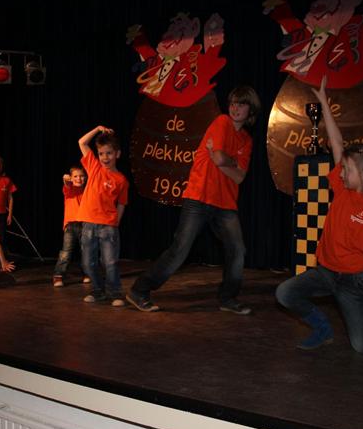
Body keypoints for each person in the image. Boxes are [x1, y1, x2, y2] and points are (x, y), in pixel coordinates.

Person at [275, 76, 363, 352]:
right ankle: (322, 328)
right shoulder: (342, 188)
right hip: (326, 272)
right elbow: (337, 142)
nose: (341, 172)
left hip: (355, 282)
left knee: (362, 346)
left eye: (347, 169)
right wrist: (324, 104)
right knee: (285, 293)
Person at [126, 86, 261, 313]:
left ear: (251, 109)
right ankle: (139, 290)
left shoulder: (246, 140)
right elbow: (220, 160)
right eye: (233, 103)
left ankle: (228, 299)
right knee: (179, 250)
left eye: (241, 104)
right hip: (199, 197)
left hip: (225, 203)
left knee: (237, 250)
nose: (235, 108)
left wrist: (222, 159)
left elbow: (239, 176)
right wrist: (230, 161)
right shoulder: (221, 122)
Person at [76, 126, 129, 307]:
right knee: (87, 263)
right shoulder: (94, 167)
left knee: (110, 262)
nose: (105, 157)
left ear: (117, 154)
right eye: (101, 153)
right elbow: (82, 142)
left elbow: (122, 203)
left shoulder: (121, 180)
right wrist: (98, 128)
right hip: (88, 224)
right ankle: (97, 291)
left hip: (108, 226)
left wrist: (116, 222)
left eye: (109, 153)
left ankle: (115, 293)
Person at [52, 167, 91, 287]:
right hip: (70, 225)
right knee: (66, 252)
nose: (79, 178)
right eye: (75, 176)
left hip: (85, 224)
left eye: (81, 176)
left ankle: (87, 273)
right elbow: (66, 182)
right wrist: (66, 178)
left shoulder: (88, 190)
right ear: (71, 178)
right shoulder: (69, 189)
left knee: (86, 251)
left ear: (85, 177)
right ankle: (58, 275)